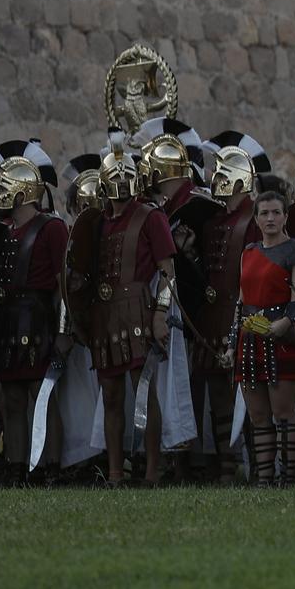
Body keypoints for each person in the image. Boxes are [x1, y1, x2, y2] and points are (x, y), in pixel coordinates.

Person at [79, 142, 178, 484]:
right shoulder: (97, 222)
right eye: (115, 175)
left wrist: (161, 313)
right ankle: (116, 473)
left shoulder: (150, 216)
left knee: (143, 390)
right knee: (111, 396)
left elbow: (168, 271)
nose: (122, 180)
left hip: (138, 310)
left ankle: (152, 472)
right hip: (104, 313)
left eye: (127, 174)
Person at [0, 144, 66, 486]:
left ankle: (51, 468)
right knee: (12, 399)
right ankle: (17, 468)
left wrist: (65, 330)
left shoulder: (52, 228)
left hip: (39, 318)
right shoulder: (4, 231)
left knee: (41, 395)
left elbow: (64, 283)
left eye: (4, 187)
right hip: (8, 320)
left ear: (22, 191)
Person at [232, 189, 295, 484]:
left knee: (283, 412)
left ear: (285, 217)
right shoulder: (248, 253)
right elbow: (242, 300)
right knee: (258, 416)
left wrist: (285, 323)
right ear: (256, 219)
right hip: (251, 337)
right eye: (264, 213)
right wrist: (234, 338)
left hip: (281, 335)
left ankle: (288, 475)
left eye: (276, 213)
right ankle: (265, 477)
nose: (270, 218)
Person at [194, 134, 265, 477]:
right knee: (218, 391)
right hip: (213, 315)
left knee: (249, 391)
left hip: (242, 314)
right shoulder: (213, 222)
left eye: (221, 173)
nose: (214, 179)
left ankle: (255, 462)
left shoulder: (253, 220)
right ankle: (228, 463)